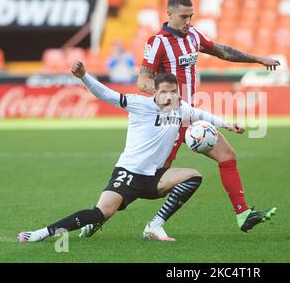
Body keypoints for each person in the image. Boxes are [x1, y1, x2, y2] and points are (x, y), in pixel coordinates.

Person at [17, 61, 244, 243]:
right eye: (165, 92)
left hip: (155, 176)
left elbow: (200, 113)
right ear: (154, 91)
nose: (170, 97)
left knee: (193, 176)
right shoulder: (140, 104)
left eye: (174, 92)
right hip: (129, 173)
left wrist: (227, 124)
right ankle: (42, 233)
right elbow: (107, 95)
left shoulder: (180, 107)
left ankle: (154, 225)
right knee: (101, 212)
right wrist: (85, 76)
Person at [137, 0, 278, 232]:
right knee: (151, 180)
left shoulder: (193, 35)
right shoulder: (157, 42)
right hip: (169, 119)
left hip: (190, 114)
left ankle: (243, 214)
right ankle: (103, 211)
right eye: (183, 16)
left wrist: (257, 59)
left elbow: (222, 51)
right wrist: (166, 97)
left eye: (191, 16)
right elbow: (143, 80)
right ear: (169, 14)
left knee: (227, 156)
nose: (188, 21)